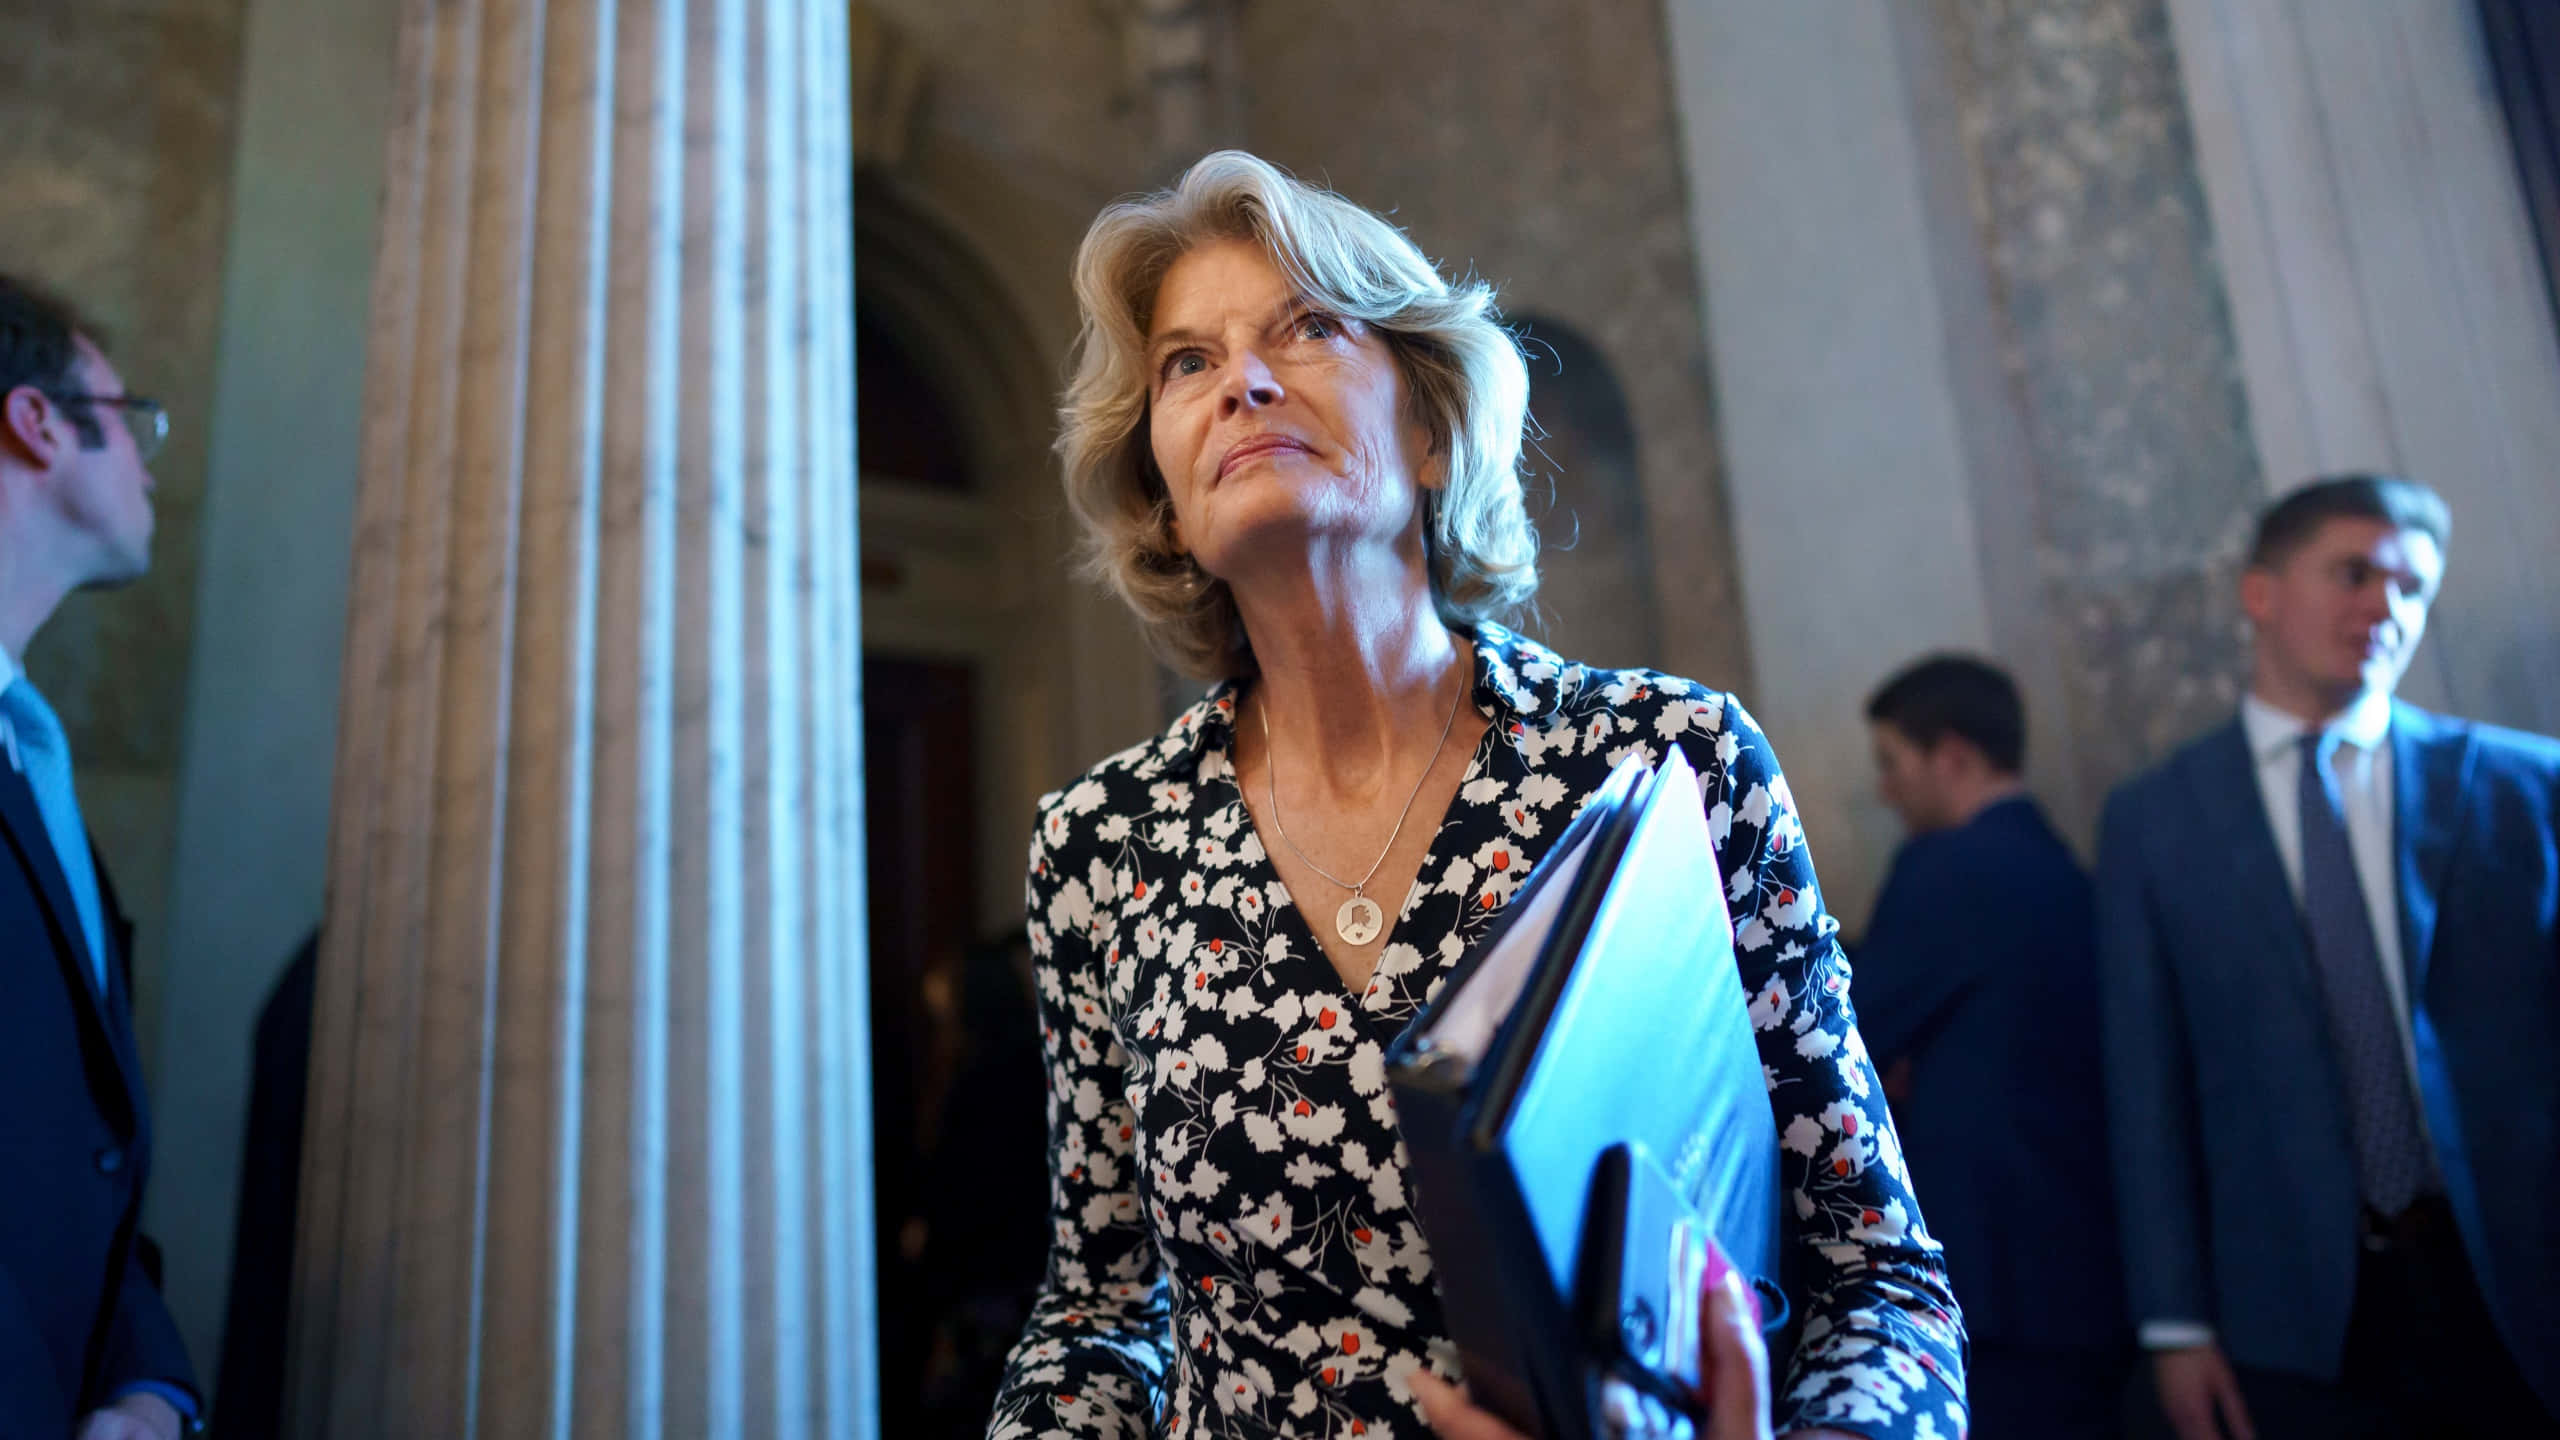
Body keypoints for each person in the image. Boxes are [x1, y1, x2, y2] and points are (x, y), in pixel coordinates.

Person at [983, 151, 1965, 1440]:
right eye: (1187, 362)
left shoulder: (1667, 761)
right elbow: (1103, 1307)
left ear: (1433, 430)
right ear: (1164, 502)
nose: (1243, 383)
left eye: (1307, 327)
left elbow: (1877, 1281)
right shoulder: (1099, 847)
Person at [2097, 474, 2560, 1439]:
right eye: (2354, 574)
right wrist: (2175, 1325)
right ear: (2260, 593)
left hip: (2520, 1272)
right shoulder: (2155, 819)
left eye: (2412, 587)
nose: (2386, 607)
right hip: (2294, 1310)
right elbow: (2147, 1084)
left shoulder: (2525, 785)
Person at [0, 275, 199, 1436]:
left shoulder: (34, 763)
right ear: (37, 423)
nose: (151, 466)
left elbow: (84, 1159)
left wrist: (151, 1388)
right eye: (132, 420)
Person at [1851, 655, 2131, 1439]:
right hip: (2087, 1278)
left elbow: (1842, 1044)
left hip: (1998, 1281)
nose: (1885, 790)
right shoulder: (2062, 869)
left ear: (1952, 756)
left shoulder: (1950, 868)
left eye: (1892, 762)